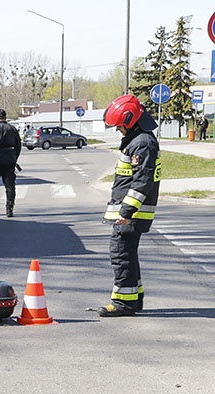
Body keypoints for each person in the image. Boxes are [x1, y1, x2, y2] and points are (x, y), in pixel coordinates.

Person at [98, 94, 160, 317]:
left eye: (119, 126)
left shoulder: (142, 144)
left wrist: (126, 211)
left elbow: (142, 181)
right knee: (128, 255)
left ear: (130, 121)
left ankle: (123, 302)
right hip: (132, 213)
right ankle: (134, 299)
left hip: (132, 214)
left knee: (121, 254)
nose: (117, 130)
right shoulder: (139, 141)